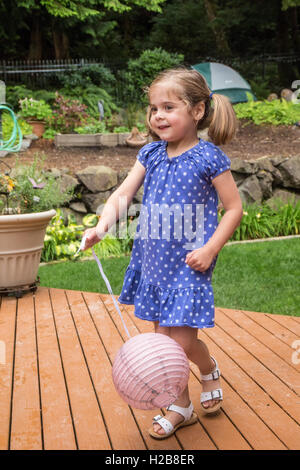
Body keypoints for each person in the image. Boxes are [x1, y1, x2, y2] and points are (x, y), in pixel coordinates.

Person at [83, 67, 243, 439]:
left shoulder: (209, 158)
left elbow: (233, 208)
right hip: (153, 265)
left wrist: (210, 248)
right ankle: (180, 405)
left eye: (168, 107)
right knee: (162, 346)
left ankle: (208, 368)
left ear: (198, 111)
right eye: (154, 108)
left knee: (182, 343)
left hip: (190, 263)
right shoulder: (151, 153)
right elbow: (123, 194)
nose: (158, 116)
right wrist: (101, 226)